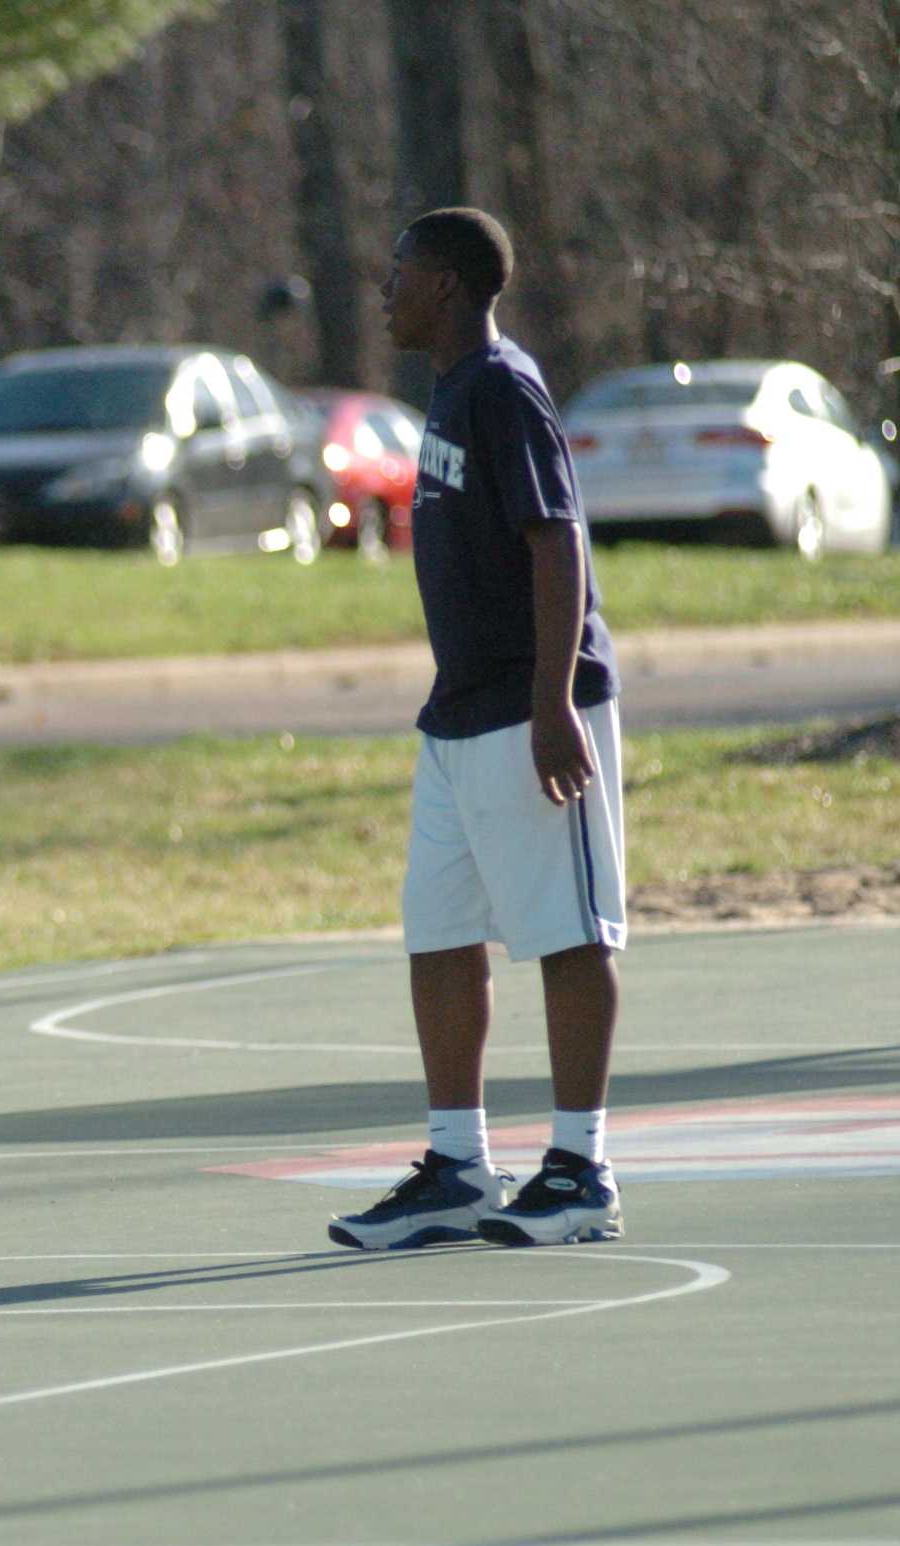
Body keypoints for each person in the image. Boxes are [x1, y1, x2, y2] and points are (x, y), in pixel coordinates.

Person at [328, 207, 626, 1251]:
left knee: (564, 933)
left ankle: (580, 1170)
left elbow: (557, 544)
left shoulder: (501, 388)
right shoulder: (450, 392)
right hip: (455, 717)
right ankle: (456, 1168)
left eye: (399, 271)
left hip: (529, 707)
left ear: (447, 284)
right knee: (438, 932)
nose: (385, 290)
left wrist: (552, 706)